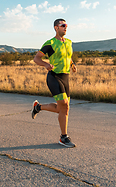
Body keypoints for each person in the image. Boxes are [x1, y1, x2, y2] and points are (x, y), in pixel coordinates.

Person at [32, 18, 77, 148]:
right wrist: (46, 65)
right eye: (63, 25)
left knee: (62, 108)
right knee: (64, 105)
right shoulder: (50, 43)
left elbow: (68, 56)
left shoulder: (69, 42)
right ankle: (64, 137)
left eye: (66, 25)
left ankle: (38, 107)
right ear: (56, 28)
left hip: (65, 77)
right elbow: (37, 58)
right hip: (54, 76)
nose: (65, 27)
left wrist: (72, 64)